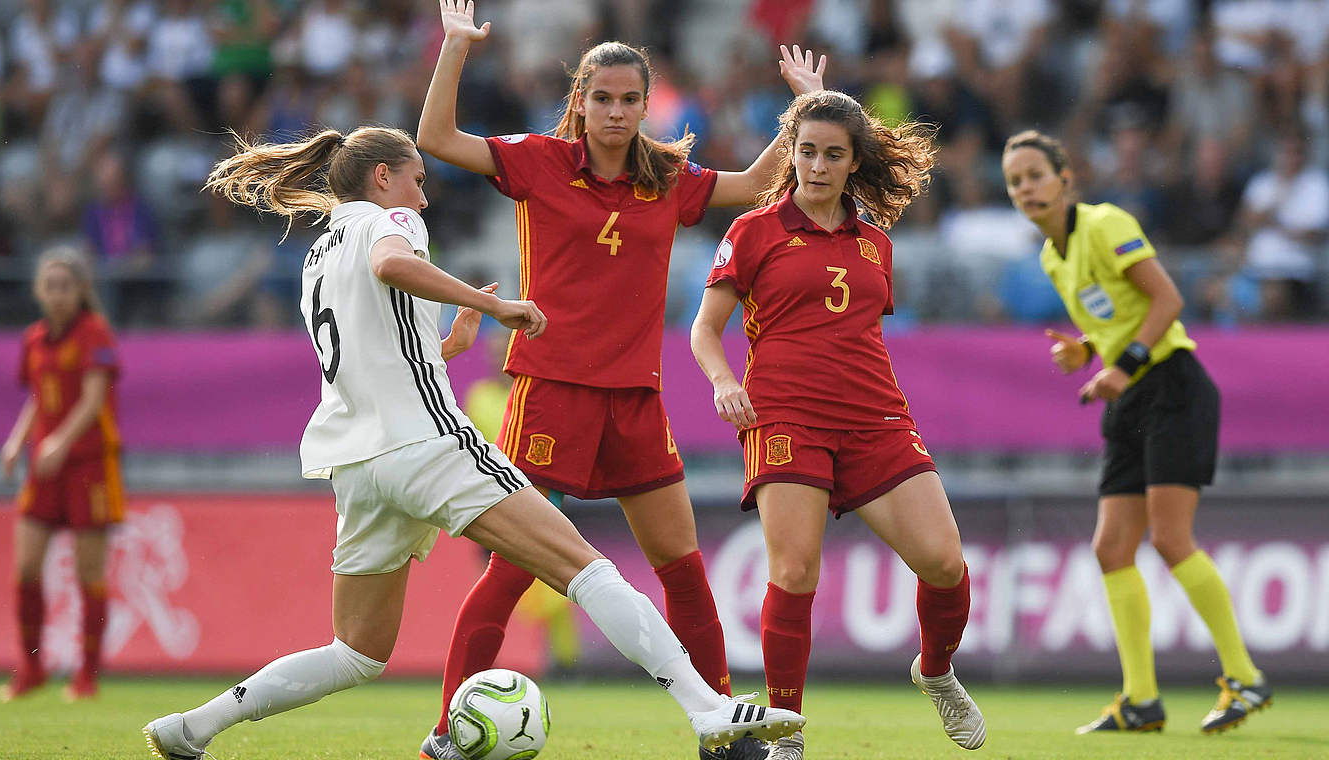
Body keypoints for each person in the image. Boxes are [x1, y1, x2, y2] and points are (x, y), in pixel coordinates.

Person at [139, 125, 804, 760]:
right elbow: (394, 263)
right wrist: (495, 308)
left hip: (357, 465)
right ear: (381, 178)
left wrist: (446, 346)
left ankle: (192, 726)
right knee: (586, 567)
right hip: (426, 444)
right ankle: (706, 708)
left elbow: (377, 347)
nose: (423, 197)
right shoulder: (390, 221)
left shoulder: (318, 254)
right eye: (416, 181)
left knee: (356, 652)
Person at [413, 3, 824, 758]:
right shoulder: (538, 160)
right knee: (512, 572)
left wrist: (800, 107)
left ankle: (723, 733)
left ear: (645, 104)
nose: (615, 111)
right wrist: (454, 48)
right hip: (551, 392)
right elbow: (434, 140)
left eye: (630, 99)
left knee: (686, 573)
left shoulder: (666, 176)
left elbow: (759, 185)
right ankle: (445, 735)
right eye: (601, 98)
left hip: (635, 399)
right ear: (581, 101)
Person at [691, 90, 987, 759]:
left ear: (854, 163)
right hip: (786, 414)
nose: (816, 165)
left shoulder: (877, 245)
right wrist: (723, 380)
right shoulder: (753, 232)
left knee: (945, 564)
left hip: (876, 416)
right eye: (806, 151)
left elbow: (855, 336)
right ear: (790, 154)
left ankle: (936, 670)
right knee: (794, 573)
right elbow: (705, 331)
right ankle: (786, 737)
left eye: (832, 154)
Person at [1001, 130, 1272, 734]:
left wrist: (1118, 366)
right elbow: (1120, 315)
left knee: (1171, 539)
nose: (1026, 188)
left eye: (1035, 175)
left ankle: (1245, 678)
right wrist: (1089, 351)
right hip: (1131, 395)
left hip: (1172, 385)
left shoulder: (1105, 224)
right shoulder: (1052, 256)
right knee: (1111, 547)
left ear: (1065, 178)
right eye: (1015, 181)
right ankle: (1141, 700)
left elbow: (1167, 299)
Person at [0, 245, 123, 703]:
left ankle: (86, 675)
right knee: (27, 567)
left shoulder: (95, 333)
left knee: (89, 572)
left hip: (89, 465)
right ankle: (31, 666)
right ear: (37, 291)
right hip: (44, 467)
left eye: (65, 286)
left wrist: (59, 443)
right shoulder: (33, 339)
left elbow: (93, 401)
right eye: (49, 286)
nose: (56, 295)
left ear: (81, 291)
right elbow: (38, 397)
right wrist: (17, 442)